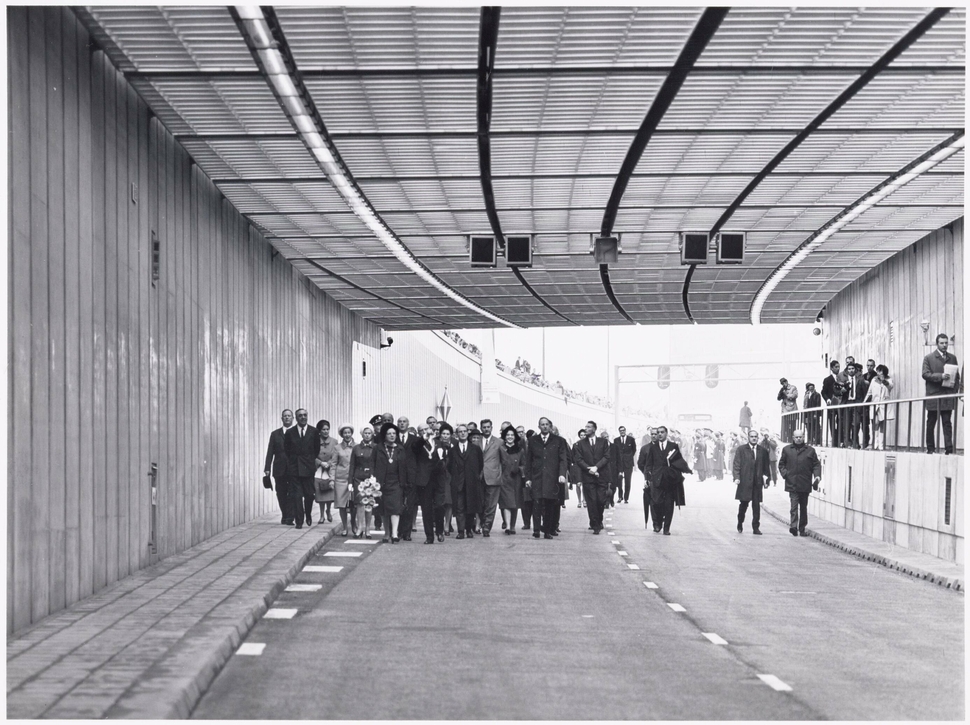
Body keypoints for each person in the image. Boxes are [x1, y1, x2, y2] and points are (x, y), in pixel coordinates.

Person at [641, 426, 691, 535]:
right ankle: (658, 523)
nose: (659, 434)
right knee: (656, 503)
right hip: (656, 480)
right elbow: (648, 465)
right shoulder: (653, 448)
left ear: (666, 433)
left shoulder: (673, 446)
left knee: (669, 504)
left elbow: (679, 461)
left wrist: (686, 470)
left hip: (669, 480)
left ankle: (666, 528)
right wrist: (647, 478)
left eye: (662, 432)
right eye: (658, 432)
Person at [524, 417, 568, 540]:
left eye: (546, 424)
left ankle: (547, 530)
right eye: (542, 424)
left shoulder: (559, 441)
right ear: (539, 426)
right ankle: (536, 530)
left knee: (550, 504)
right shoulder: (533, 441)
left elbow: (563, 459)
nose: (544, 426)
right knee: (536, 503)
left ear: (550, 426)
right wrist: (528, 478)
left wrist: (561, 474)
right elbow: (528, 460)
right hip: (537, 477)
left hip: (552, 477)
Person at [778, 428, 821, 536]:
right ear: (793, 438)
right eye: (796, 437)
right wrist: (785, 474)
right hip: (792, 482)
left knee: (803, 507)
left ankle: (802, 528)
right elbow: (781, 464)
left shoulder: (810, 450)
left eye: (800, 437)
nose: (798, 439)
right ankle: (793, 527)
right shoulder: (787, 450)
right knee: (793, 506)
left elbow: (816, 465)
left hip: (805, 483)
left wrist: (817, 477)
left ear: (803, 437)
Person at [374, 423, 412, 543]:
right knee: (384, 510)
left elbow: (405, 467)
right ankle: (387, 533)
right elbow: (372, 464)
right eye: (389, 433)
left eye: (394, 433)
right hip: (382, 483)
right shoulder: (378, 448)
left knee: (395, 508)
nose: (392, 436)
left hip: (396, 483)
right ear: (384, 435)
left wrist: (405, 483)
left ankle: (394, 534)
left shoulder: (400, 449)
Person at [923, 333, 960, 455]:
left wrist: (954, 391)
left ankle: (949, 449)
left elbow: (957, 376)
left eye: (946, 343)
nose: (944, 345)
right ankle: (930, 449)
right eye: (942, 343)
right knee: (931, 422)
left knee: (947, 422)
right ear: (937, 343)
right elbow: (925, 374)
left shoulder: (952, 358)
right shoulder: (929, 358)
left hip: (947, 395)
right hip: (934, 395)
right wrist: (941, 376)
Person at [284, 409, 321, 529]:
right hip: (295, 468)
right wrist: (293, 462)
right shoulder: (290, 432)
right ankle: (299, 520)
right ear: (296, 417)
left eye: (305, 415)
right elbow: (287, 450)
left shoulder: (314, 431)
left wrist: (309, 461)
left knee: (309, 495)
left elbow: (316, 449)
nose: (303, 417)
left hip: (308, 467)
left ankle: (308, 514)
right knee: (297, 495)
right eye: (300, 416)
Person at [448, 424, 484, 539]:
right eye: (460, 431)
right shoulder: (453, 450)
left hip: (471, 483)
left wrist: (473, 476)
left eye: (464, 431)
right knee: (459, 508)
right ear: (457, 434)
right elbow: (449, 466)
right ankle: (461, 531)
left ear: (467, 433)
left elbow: (480, 464)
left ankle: (469, 530)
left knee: (471, 507)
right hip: (458, 483)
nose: (462, 433)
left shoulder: (475, 449)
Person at [733, 429, 770, 535]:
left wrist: (767, 480)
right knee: (743, 504)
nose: (754, 438)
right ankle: (740, 522)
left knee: (756, 506)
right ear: (748, 438)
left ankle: (756, 527)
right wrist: (737, 477)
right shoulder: (741, 450)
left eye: (755, 436)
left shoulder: (763, 451)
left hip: (757, 483)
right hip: (745, 482)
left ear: (758, 438)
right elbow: (736, 465)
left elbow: (766, 468)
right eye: (752, 436)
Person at [577, 421, 610, 534]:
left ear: (595, 429)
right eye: (586, 426)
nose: (586, 428)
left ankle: (598, 519)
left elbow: (606, 456)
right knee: (591, 501)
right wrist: (589, 468)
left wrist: (596, 467)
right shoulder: (580, 444)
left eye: (589, 427)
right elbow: (579, 459)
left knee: (601, 500)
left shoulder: (603, 442)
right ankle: (595, 524)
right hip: (588, 477)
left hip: (601, 475)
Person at [264, 409, 294, 525]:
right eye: (285, 416)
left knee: (292, 492)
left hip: (293, 469)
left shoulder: (297, 433)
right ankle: (285, 514)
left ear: (292, 418)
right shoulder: (275, 434)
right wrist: (267, 468)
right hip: (279, 468)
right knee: (280, 492)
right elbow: (270, 452)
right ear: (282, 419)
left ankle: (290, 517)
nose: (287, 418)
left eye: (289, 416)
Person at [411, 422, 440, 544]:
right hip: (424, 480)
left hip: (438, 479)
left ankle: (440, 530)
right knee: (426, 508)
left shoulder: (438, 442)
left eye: (426, 429)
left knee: (439, 506)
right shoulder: (418, 443)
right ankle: (429, 536)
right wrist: (424, 438)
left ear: (431, 429)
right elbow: (416, 447)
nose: (425, 431)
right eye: (421, 430)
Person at [349, 426, 377, 538]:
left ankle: (368, 529)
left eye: (369, 433)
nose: (367, 435)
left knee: (369, 503)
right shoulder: (356, 448)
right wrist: (350, 482)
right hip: (358, 479)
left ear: (372, 434)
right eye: (365, 433)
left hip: (371, 479)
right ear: (361, 434)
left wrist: (376, 478)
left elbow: (378, 464)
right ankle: (360, 528)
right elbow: (352, 466)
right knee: (360, 503)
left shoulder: (376, 447)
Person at [397, 416, 421, 541]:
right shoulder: (393, 438)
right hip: (396, 476)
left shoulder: (415, 440)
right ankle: (398, 531)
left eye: (404, 421)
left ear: (408, 424)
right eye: (400, 422)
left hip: (411, 476)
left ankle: (407, 532)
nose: (402, 424)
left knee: (410, 504)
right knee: (398, 503)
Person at [477, 419, 503, 537]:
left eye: (488, 427)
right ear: (481, 428)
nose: (486, 429)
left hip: (493, 476)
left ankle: (487, 527)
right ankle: (481, 523)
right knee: (481, 503)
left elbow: (504, 460)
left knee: (491, 504)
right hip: (479, 477)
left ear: (492, 428)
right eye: (484, 427)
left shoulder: (499, 442)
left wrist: (500, 473)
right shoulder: (476, 442)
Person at [498, 426, 525, 535]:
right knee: (506, 503)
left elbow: (524, 464)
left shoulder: (520, 450)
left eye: (512, 435)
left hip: (516, 479)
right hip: (504, 478)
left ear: (515, 437)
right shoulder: (500, 449)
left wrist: (519, 469)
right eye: (507, 435)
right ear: (504, 437)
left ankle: (512, 526)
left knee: (515, 503)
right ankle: (508, 526)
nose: (510, 437)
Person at [332, 425, 356, 536]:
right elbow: (333, 464)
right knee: (342, 504)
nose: (347, 435)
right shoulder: (337, 448)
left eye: (349, 432)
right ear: (342, 434)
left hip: (354, 478)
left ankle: (354, 525)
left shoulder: (357, 447)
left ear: (352, 433)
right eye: (345, 433)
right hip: (341, 478)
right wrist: (332, 479)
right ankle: (345, 527)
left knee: (354, 503)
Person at [314, 420, 337, 524]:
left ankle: (328, 511)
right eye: (323, 429)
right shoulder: (314, 441)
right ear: (319, 430)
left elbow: (336, 456)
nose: (326, 431)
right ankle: (322, 514)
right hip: (318, 470)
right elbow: (311, 455)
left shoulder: (334, 441)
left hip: (330, 469)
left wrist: (329, 462)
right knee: (320, 492)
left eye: (327, 429)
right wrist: (320, 462)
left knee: (329, 492)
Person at [867, 364, 894, 450]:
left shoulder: (889, 380)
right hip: (875, 404)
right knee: (875, 423)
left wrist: (884, 381)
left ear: (884, 372)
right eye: (878, 371)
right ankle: (875, 443)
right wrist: (864, 402)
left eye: (880, 371)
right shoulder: (874, 380)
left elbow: (890, 386)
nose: (878, 373)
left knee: (882, 424)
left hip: (884, 404)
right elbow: (869, 392)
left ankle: (881, 445)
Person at [821, 359, 847, 447]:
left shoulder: (843, 378)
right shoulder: (827, 380)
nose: (838, 369)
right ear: (831, 368)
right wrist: (827, 399)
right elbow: (823, 392)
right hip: (832, 404)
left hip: (841, 403)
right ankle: (834, 442)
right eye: (836, 367)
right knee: (832, 422)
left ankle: (842, 441)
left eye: (839, 367)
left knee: (841, 421)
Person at [843, 363, 869, 449]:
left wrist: (863, 404)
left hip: (856, 403)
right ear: (847, 370)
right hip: (847, 403)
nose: (851, 370)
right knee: (847, 424)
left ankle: (855, 443)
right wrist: (842, 390)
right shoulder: (844, 380)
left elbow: (865, 393)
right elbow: (836, 391)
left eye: (852, 368)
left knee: (856, 424)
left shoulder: (860, 379)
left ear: (855, 370)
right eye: (849, 369)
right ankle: (847, 443)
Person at [637, 427, 658, 530]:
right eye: (652, 434)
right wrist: (646, 474)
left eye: (656, 434)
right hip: (651, 478)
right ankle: (656, 523)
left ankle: (660, 518)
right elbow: (640, 463)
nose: (654, 436)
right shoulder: (645, 448)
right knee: (653, 501)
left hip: (663, 479)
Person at [613, 426, 637, 504]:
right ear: (619, 432)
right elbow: (615, 451)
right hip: (619, 463)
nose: (622, 432)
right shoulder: (616, 440)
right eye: (620, 431)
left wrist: (628, 457)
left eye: (623, 430)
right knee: (619, 481)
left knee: (628, 481)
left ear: (625, 431)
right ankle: (620, 496)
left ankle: (626, 498)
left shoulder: (631, 439)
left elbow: (634, 450)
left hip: (628, 463)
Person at [777, 378, 799, 443]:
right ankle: (784, 440)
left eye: (784, 383)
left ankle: (791, 440)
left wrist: (786, 394)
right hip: (785, 410)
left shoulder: (793, 388)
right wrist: (781, 393)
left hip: (792, 409)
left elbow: (795, 396)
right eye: (782, 384)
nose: (783, 384)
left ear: (786, 382)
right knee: (785, 426)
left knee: (792, 425)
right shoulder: (782, 389)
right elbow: (778, 398)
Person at [569, 430, 586, 509]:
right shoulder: (575, 445)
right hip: (577, 466)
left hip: (586, 466)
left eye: (584, 435)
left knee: (585, 484)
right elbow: (572, 456)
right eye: (581, 435)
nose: (583, 436)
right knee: (578, 484)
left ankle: (584, 500)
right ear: (579, 436)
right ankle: (579, 500)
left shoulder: (588, 445)